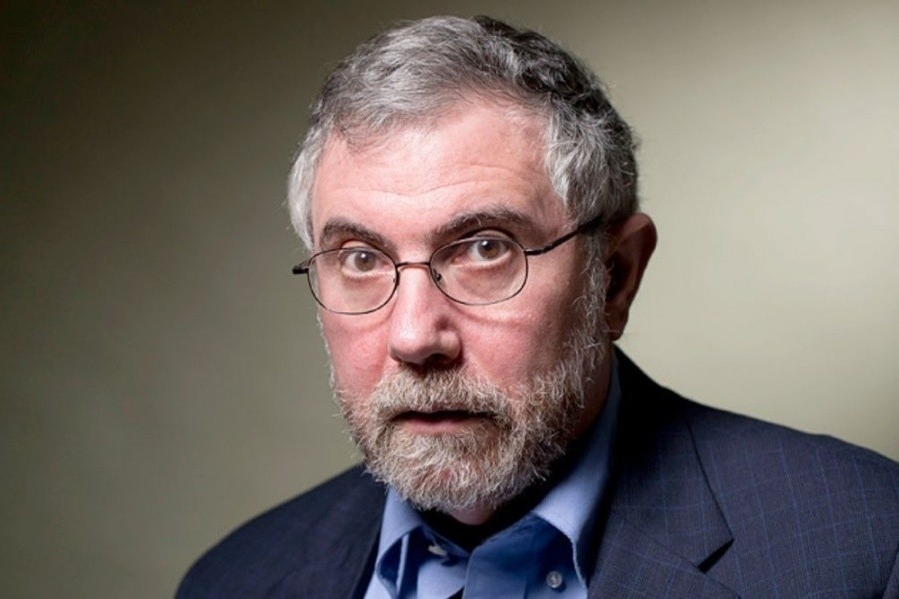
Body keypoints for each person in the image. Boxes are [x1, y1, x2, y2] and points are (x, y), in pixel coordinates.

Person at [178, 15, 899, 598]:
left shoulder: (863, 545)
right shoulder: (234, 580)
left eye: (485, 248)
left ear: (614, 277)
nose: (415, 336)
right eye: (361, 259)